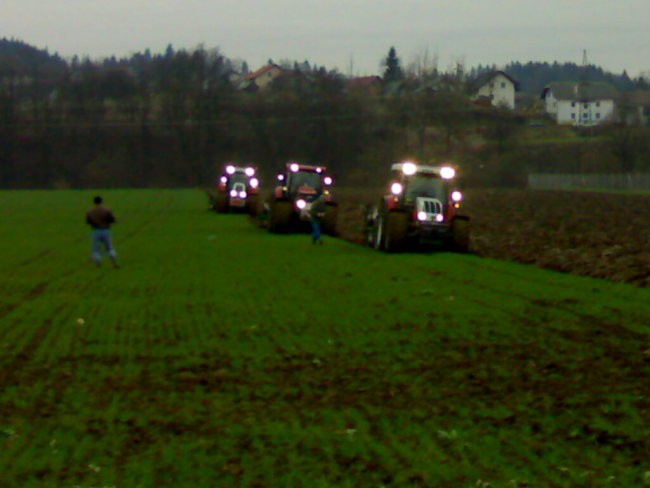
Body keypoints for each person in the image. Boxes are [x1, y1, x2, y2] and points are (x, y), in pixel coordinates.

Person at [86, 196, 119, 268]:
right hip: (106, 230)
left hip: (95, 231)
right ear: (101, 201)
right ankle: (114, 262)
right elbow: (112, 220)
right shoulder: (107, 210)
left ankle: (98, 263)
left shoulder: (90, 211)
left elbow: (88, 221)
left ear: (94, 202)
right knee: (109, 247)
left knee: (96, 248)